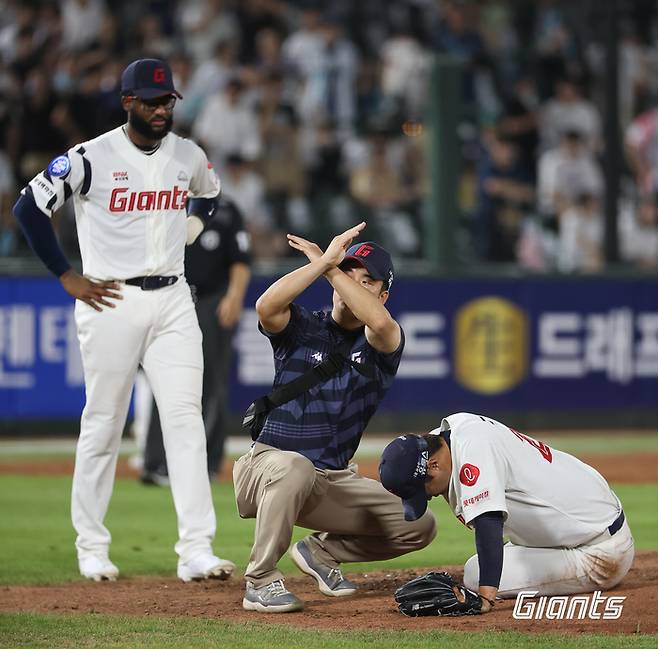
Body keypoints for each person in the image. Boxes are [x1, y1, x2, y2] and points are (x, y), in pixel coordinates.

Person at [12, 58, 235, 583]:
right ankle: (91, 545)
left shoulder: (188, 154)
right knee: (104, 422)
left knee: (185, 420)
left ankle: (196, 549)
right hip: (110, 298)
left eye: (168, 101)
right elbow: (28, 207)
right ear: (127, 102)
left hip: (174, 298)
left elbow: (211, 193)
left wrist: (194, 226)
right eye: (152, 101)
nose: (162, 110)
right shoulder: (91, 157)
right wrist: (66, 276)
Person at [233, 222, 436, 613]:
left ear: (384, 294)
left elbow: (378, 323)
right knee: (295, 466)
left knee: (419, 525)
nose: (355, 284)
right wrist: (325, 263)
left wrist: (329, 267)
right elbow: (265, 307)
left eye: (367, 281)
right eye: (349, 274)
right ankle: (259, 580)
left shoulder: (383, 342)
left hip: (332, 479)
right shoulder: (303, 326)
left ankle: (322, 551)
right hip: (268, 467)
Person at [379, 412, 634, 612]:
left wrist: (485, 598)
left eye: (423, 489)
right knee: (485, 563)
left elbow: (489, 522)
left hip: (599, 552)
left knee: (476, 573)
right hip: (589, 517)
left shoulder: (472, 454)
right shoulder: (448, 437)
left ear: (433, 465)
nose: (429, 496)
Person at [141, 195, 252, 484]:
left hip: (211, 302)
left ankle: (207, 463)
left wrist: (235, 296)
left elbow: (241, 259)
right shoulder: (162, 202)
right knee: (163, 379)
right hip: (171, 299)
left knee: (210, 381)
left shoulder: (226, 209)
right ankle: (157, 463)